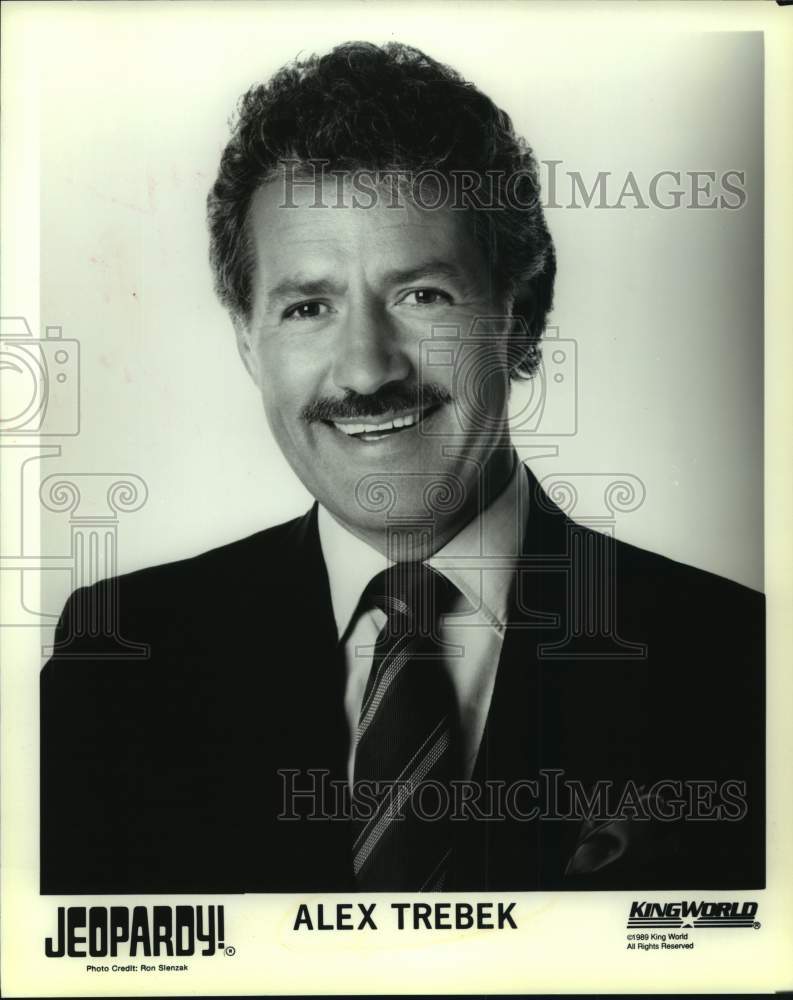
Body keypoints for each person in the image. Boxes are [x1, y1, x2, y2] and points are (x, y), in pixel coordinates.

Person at [40, 41, 763, 894]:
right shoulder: (117, 662)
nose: (365, 370)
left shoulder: (738, 662)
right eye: (308, 307)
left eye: (422, 295)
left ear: (521, 317)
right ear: (249, 344)